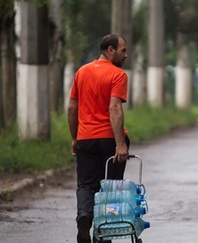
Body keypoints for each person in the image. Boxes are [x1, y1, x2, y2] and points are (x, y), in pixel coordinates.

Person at [67, 34, 130, 243]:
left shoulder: (82, 72)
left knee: (86, 185)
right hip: (109, 141)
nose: (125, 55)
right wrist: (120, 144)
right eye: (123, 50)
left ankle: (84, 217)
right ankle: (103, 235)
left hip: (85, 138)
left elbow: (72, 108)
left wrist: (75, 138)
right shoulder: (118, 75)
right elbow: (114, 108)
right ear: (110, 50)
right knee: (110, 187)